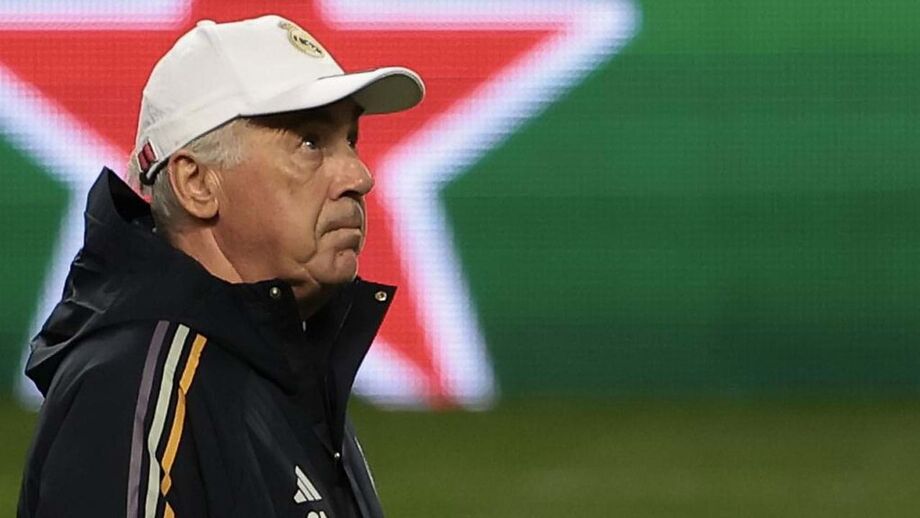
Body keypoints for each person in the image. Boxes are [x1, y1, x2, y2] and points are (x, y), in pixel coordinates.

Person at [17, 14, 424, 518]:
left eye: (351, 140)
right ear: (197, 184)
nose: (359, 176)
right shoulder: (129, 390)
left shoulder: (283, 367)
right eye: (310, 142)